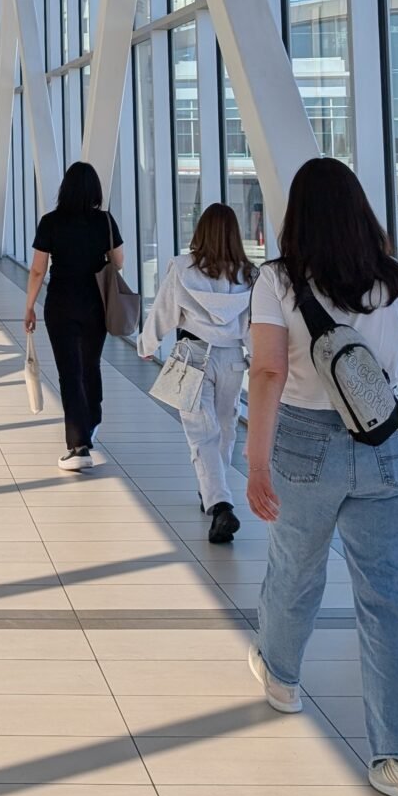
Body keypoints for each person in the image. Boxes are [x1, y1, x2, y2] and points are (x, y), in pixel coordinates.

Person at [245, 157, 398, 796]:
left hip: (306, 440)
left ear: (297, 216)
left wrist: (256, 461)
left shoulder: (277, 280)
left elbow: (268, 372)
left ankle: (280, 677)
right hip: (386, 441)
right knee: (391, 595)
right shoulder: (394, 279)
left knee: (295, 566)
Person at [139, 203, 253, 542]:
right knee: (225, 429)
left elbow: (163, 311)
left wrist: (146, 345)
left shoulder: (183, 268)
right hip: (233, 358)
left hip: (193, 356)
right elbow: (254, 326)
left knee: (201, 434)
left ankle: (220, 505)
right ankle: (212, 493)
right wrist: (258, 359)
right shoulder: (250, 276)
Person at [24, 161, 123, 470]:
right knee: (90, 364)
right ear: (95, 190)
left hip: (61, 304)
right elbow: (119, 262)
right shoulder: (104, 220)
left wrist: (29, 306)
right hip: (95, 303)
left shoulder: (50, 222)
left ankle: (79, 447)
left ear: (64, 188)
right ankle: (91, 420)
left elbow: (38, 269)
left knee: (70, 371)